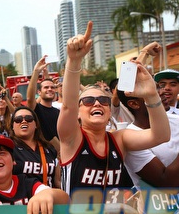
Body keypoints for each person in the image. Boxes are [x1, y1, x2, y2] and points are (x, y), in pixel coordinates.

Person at [57, 21, 170, 199]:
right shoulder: (72, 139)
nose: (96, 104)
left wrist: (151, 96)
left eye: (103, 100)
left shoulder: (120, 138)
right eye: (87, 100)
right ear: (78, 113)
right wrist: (74, 60)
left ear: (110, 111)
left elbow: (161, 135)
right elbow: (68, 105)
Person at [117, 42, 179, 189]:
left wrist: (144, 53)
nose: (162, 92)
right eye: (150, 89)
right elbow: (166, 182)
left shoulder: (176, 120)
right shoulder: (132, 140)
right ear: (134, 104)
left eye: (156, 87)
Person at [27, 58, 60, 151]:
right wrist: (36, 72)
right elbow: (30, 99)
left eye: (52, 87)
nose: (50, 89)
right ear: (39, 92)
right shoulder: (36, 109)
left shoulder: (58, 112)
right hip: (41, 153)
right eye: (46, 87)